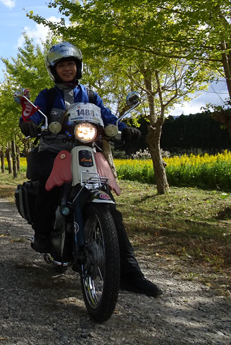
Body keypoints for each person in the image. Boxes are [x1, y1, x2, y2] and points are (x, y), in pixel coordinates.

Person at [19, 41, 162, 297]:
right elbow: (35, 114)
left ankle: (129, 274)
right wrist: (28, 123)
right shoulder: (48, 95)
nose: (67, 69)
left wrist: (121, 127)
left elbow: (107, 116)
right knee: (49, 185)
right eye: (61, 65)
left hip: (87, 149)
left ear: (78, 67)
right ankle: (42, 233)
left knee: (109, 204)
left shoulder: (91, 95)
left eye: (71, 64)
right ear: (54, 70)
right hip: (54, 150)